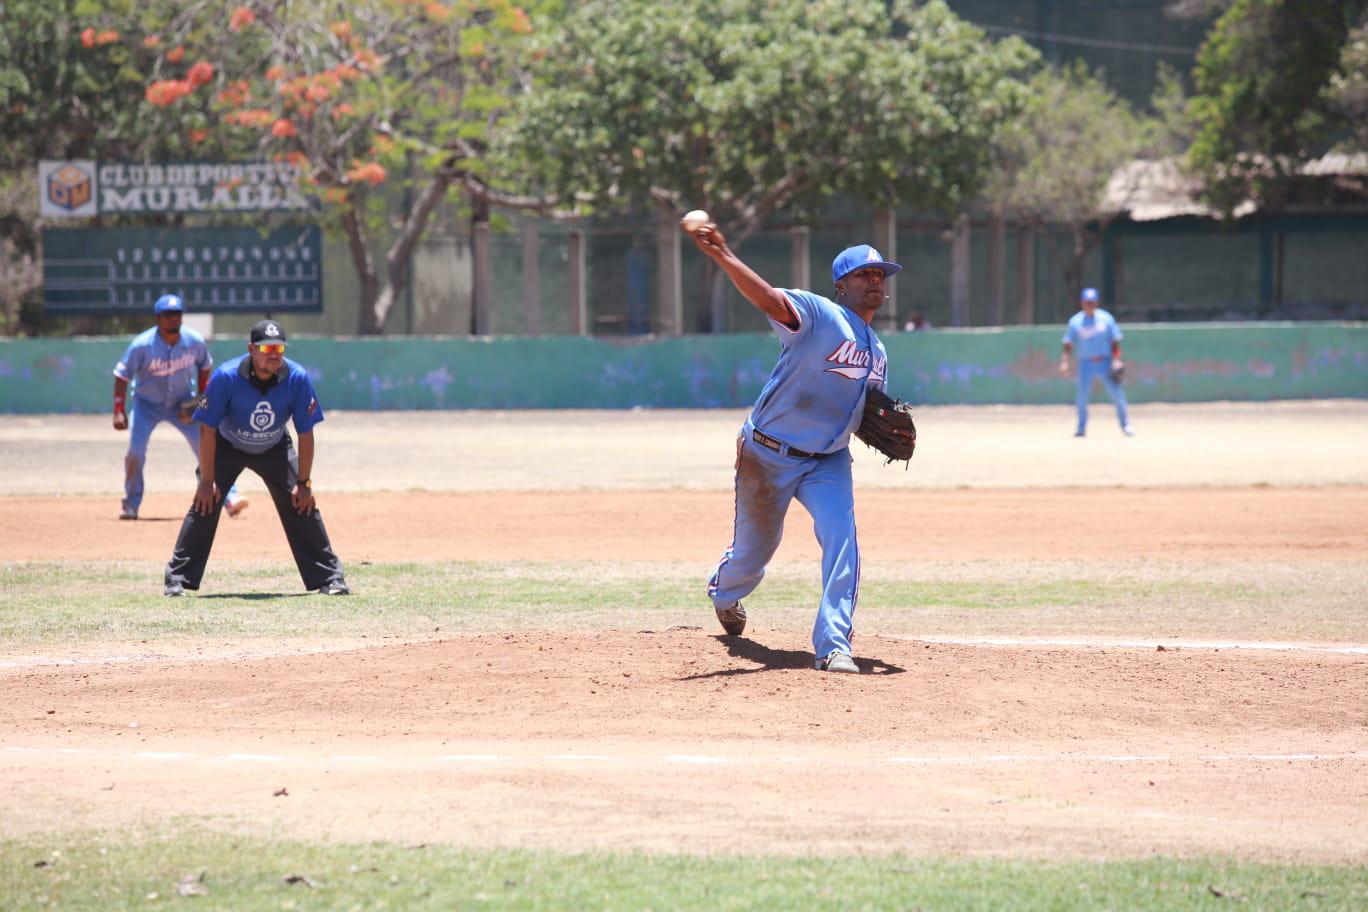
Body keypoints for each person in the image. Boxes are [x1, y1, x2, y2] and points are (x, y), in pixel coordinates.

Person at [687, 221, 900, 674]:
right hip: (767, 450)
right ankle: (725, 594)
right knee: (755, 551)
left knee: (843, 541)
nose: (875, 280)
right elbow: (768, 298)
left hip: (828, 461)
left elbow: (866, 414)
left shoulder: (878, 351)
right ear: (842, 286)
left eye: (880, 274)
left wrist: (883, 425)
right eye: (864, 274)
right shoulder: (819, 314)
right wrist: (723, 255)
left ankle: (834, 644)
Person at [163, 319, 349, 597]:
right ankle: (177, 579)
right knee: (205, 502)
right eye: (266, 348)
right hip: (227, 445)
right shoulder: (226, 377)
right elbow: (207, 429)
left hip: (274, 446)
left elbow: (306, 433)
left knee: (302, 503)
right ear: (251, 349)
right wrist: (208, 479)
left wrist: (305, 482)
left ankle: (330, 578)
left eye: (279, 348)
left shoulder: (296, 378)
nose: (274, 353)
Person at [112, 294, 246, 520]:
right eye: (168, 314)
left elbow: (205, 366)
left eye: (177, 314)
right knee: (135, 452)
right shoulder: (142, 345)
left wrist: (202, 399)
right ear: (158, 318)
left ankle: (229, 497)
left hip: (183, 404)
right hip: (146, 405)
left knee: (208, 449)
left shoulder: (194, 341)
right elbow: (122, 375)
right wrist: (118, 410)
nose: (173, 318)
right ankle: (131, 504)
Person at [1059, 287, 1133, 437]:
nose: (1090, 305)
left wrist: (1116, 360)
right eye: (1087, 302)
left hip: (1105, 362)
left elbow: (1115, 341)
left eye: (1092, 302)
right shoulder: (1075, 322)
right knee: (1082, 398)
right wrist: (1065, 362)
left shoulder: (1106, 319)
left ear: (1096, 302)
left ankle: (1126, 425)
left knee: (1118, 395)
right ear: (1082, 303)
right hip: (1086, 363)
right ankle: (1081, 428)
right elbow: (1068, 344)